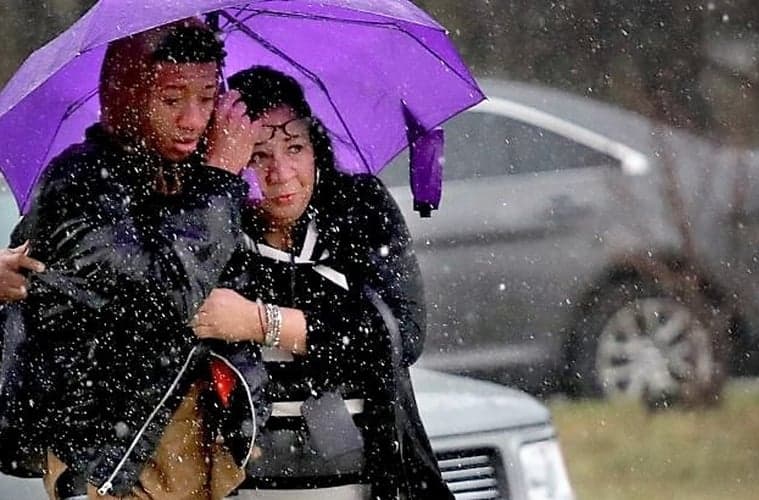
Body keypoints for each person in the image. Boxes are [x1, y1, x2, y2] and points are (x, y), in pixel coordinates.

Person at [0, 20, 264, 500]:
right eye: (171, 99)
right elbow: (164, 297)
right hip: (110, 454)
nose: (192, 118)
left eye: (207, 99)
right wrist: (220, 181)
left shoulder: (196, 179)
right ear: (128, 94)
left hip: (200, 441)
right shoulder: (80, 180)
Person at [192, 66, 454, 500]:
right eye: (257, 155)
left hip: (381, 484)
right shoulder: (210, 238)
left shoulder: (360, 210)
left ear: (316, 147)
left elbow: (400, 335)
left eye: (295, 147)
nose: (281, 172)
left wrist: (261, 322)